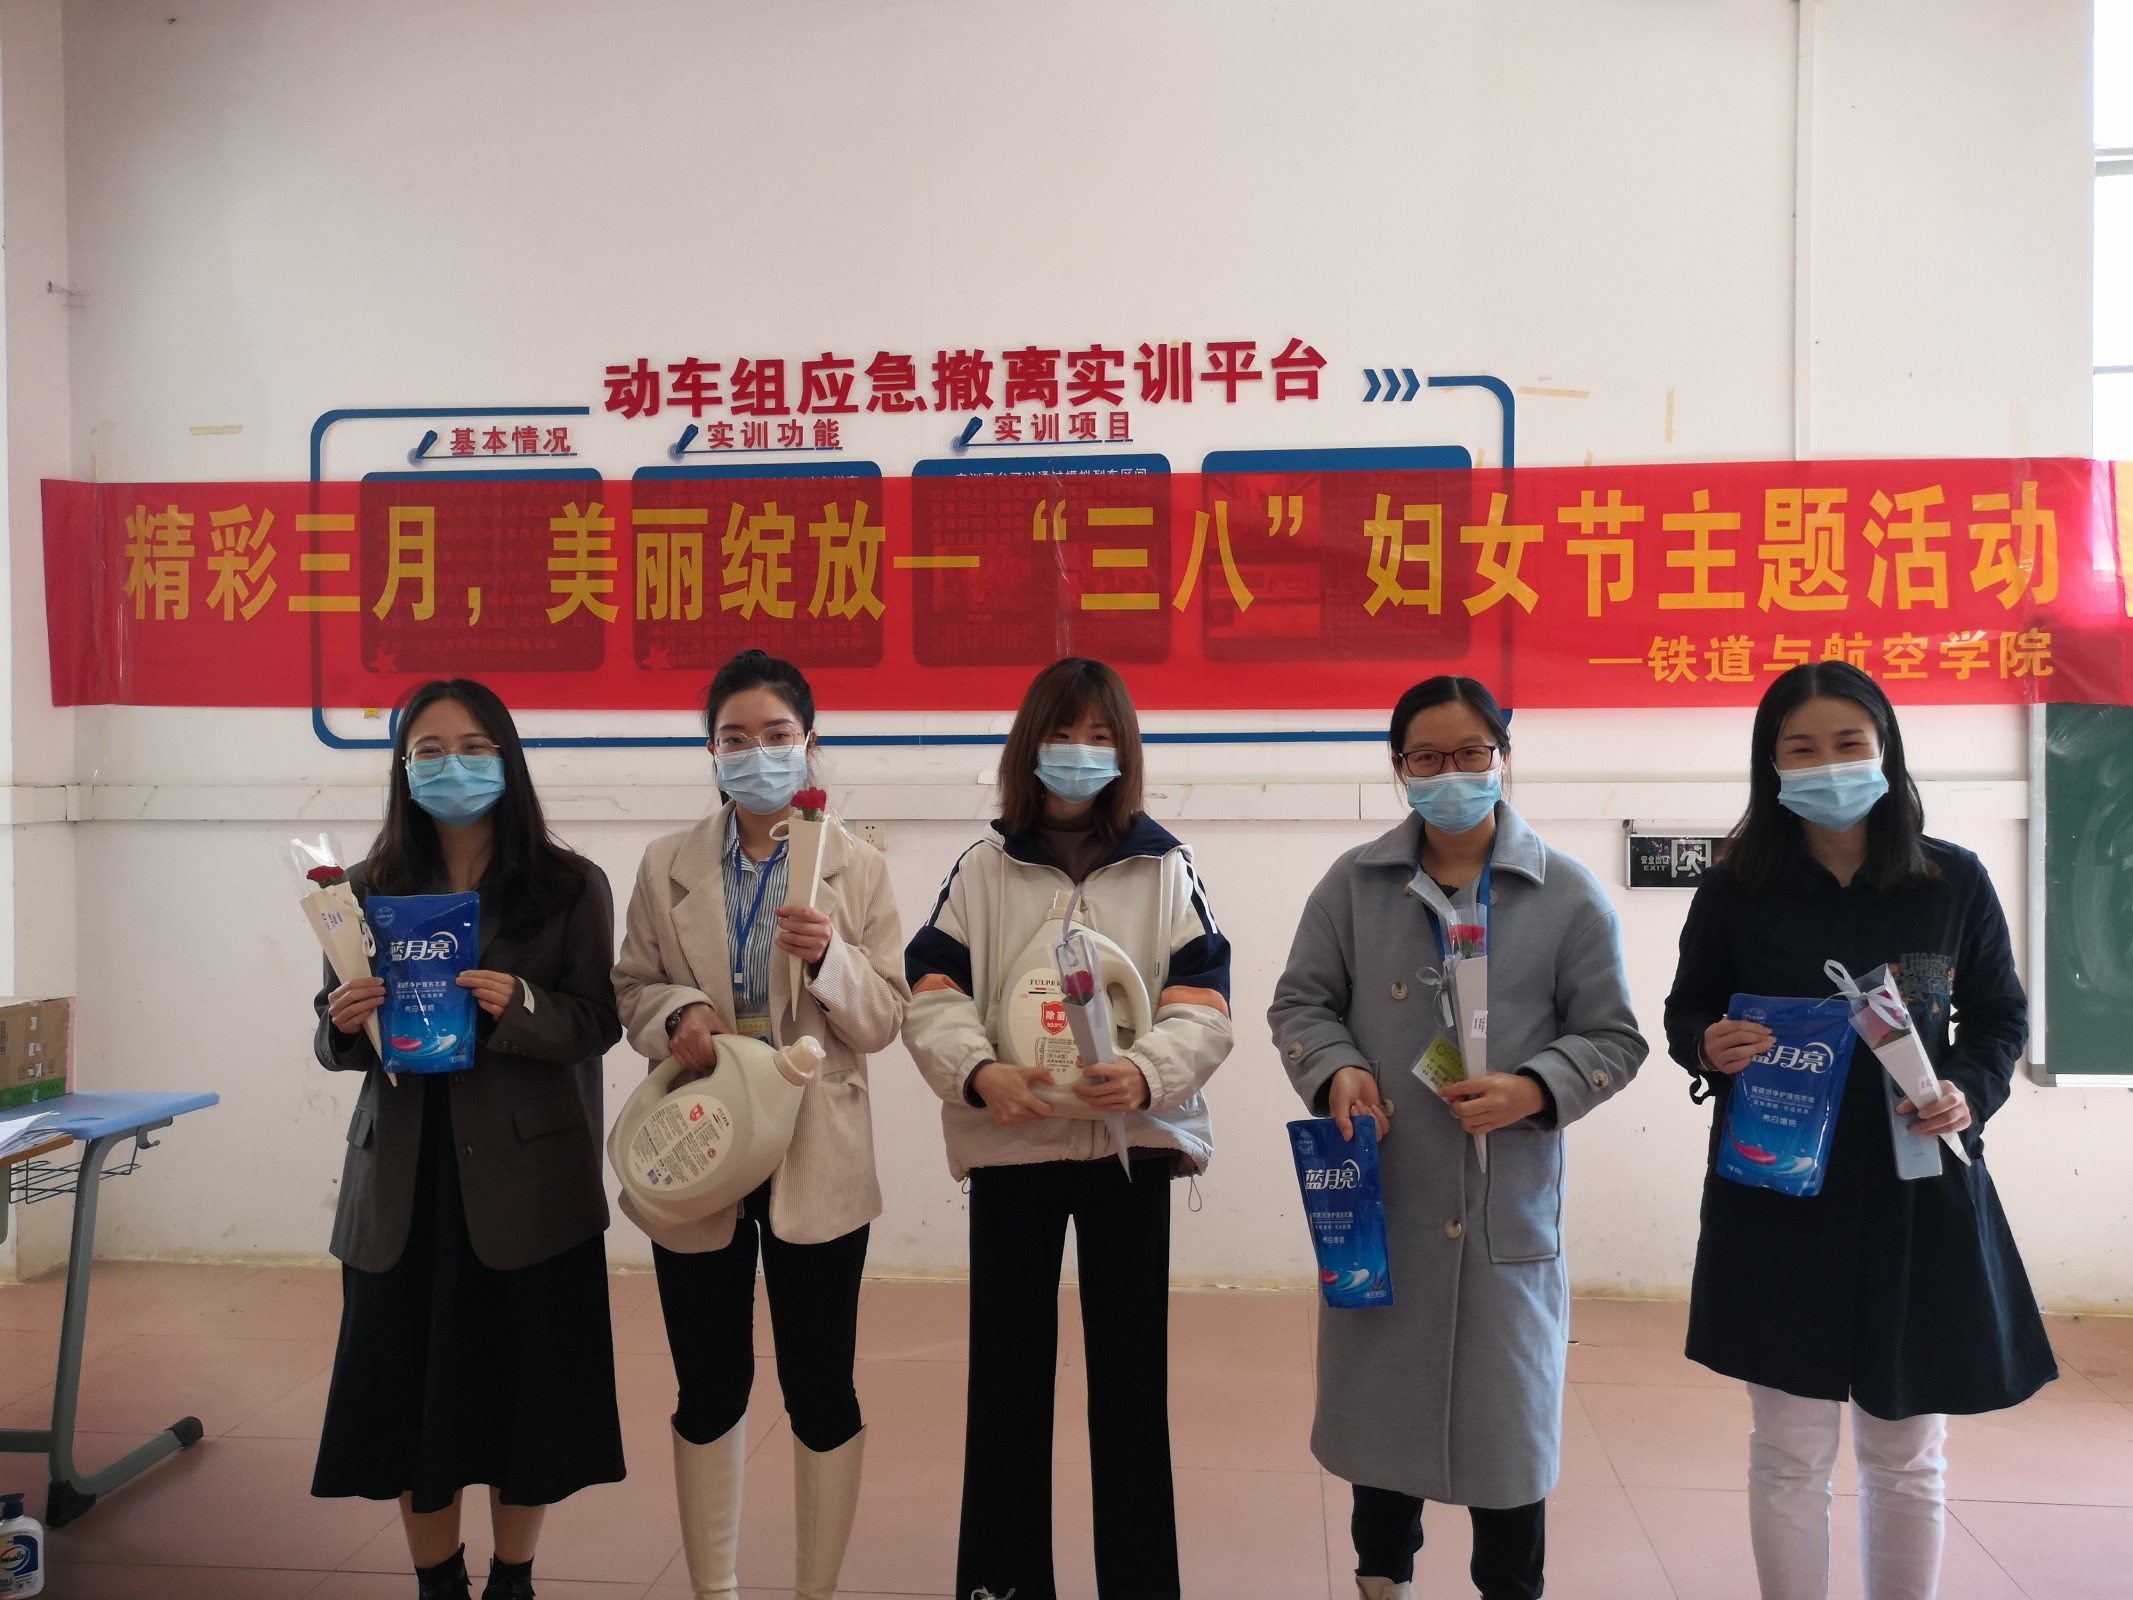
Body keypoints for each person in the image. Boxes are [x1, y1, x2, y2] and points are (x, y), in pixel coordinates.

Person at [1664, 660, 2056, 1600]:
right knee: (1787, 1452)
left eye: (1848, 743)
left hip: (1918, 1189)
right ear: (1770, 765)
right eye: (1800, 748)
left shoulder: (1951, 880)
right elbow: (1686, 1010)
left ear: (1886, 750)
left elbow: (1999, 1016)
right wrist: (1706, 1044)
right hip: (1777, 1190)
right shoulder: (1734, 887)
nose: (1827, 765)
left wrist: (1968, 1089)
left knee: (1906, 1453)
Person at [1268, 673, 1644, 1600]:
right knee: (1379, 1440)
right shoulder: (1352, 886)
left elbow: (1614, 1038)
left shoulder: (1566, 894)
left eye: (1470, 753)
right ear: (1399, 768)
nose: (1450, 774)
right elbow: (1301, 1005)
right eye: (1426, 758)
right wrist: (1336, 1069)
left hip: (1502, 1210)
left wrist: (1533, 1088)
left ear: (1502, 758)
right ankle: (1380, 1581)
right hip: (1386, 1202)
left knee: (1506, 1450)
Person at [903, 656, 1232, 1600]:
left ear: (1124, 751)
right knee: (1006, 1380)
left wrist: (1145, 1071)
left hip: (1132, 1151)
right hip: (1013, 1146)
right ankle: (1001, 1584)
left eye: (1100, 736)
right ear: (1028, 746)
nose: (1081, 752)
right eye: (1062, 733)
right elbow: (931, 993)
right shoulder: (983, 868)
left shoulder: (1166, 868)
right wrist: (978, 1074)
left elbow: (1205, 1005)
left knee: (1130, 1385)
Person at [312, 678, 625, 1600]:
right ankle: (436, 1581)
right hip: (403, 1186)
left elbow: (596, 1021)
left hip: (528, 1185)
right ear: (404, 769)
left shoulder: (568, 884)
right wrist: (344, 1020)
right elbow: (330, 1036)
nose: (453, 767)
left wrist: (518, 1005)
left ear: (507, 758)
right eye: (430, 751)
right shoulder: (361, 891)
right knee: (412, 1402)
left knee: (525, 1402)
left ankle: (513, 1579)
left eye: (475, 747)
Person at [613, 649, 909, 1600]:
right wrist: (677, 1014)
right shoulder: (665, 864)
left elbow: (884, 1019)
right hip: (699, 1136)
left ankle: (813, 1590)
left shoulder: (858, 867)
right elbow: (632, 987)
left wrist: (831, 962)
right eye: (734, 738)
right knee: (708, 1383)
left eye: (776, 735)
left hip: (815, 1152)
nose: (756, 754)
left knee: (819, 1388)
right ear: (711, 751)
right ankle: (716, 1589)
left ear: (809, 742)